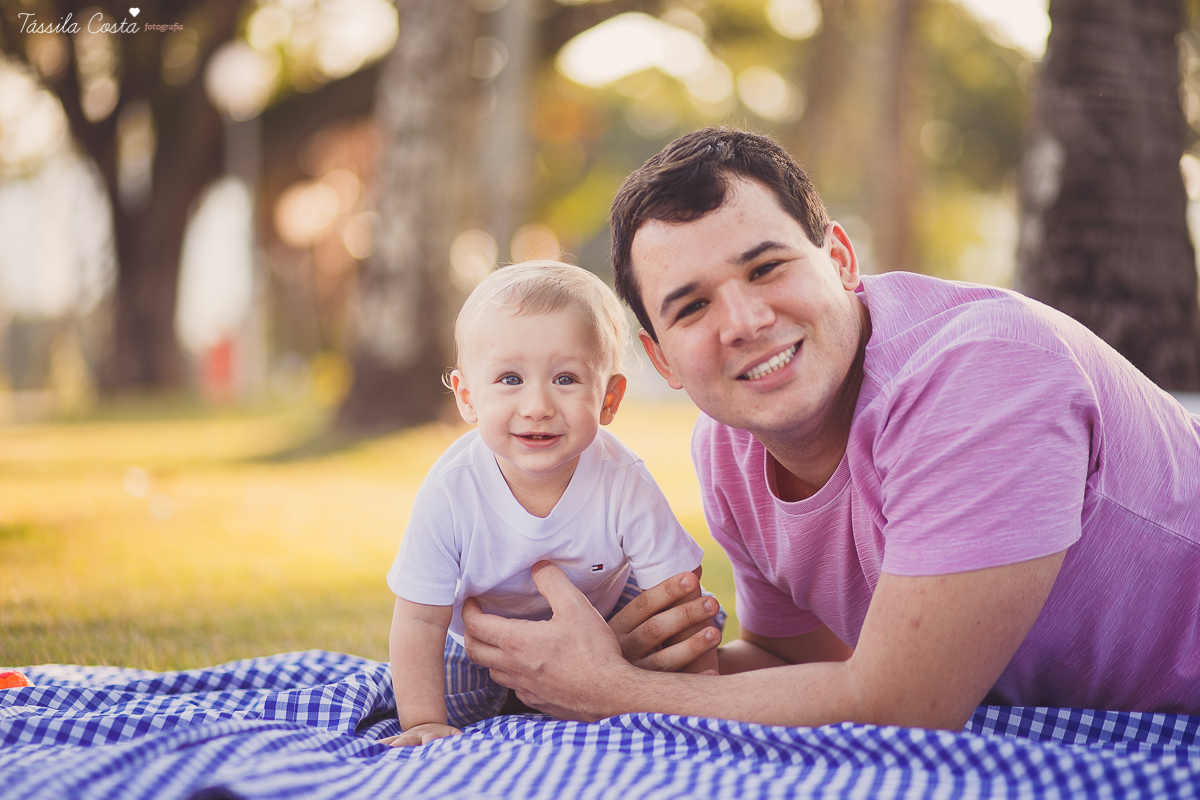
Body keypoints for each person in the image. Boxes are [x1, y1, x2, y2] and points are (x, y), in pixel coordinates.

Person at [461, 127, 1200, 730]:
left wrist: (613, 692)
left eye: (766, 268)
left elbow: (902, 707)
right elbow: (807, 668)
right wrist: (634, 660)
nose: (745, 323)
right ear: (661, 358)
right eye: (691, 308)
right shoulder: (728, 449)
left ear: (840, 259)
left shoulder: (983, 373)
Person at [381, 260, 719, 748]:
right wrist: (422, 722)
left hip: (605, 623)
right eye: (510, 379)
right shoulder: (452, 489)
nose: (537, 405)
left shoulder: (622, 480)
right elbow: (418, 617)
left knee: (680, 620)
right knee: (445, 695)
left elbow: (679, 594)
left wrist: (698, 704)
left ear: (609, 399)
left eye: (565, 379)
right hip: (483, 644)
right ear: (467, 397)